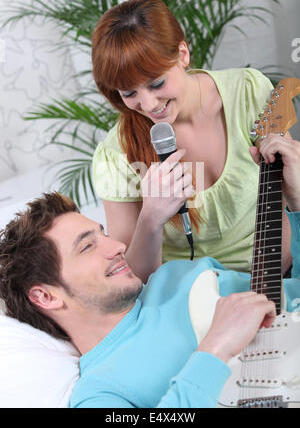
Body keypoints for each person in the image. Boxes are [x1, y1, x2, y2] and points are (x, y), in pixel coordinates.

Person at [0, 134, 299, 408]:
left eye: (102, 234)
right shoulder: (99, 390)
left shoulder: (176, 275)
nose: (116, 245)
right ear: (45, 296)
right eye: (87, 247)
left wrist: (297, 203)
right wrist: (215, 348)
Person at [91, 0, 293, 279]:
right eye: (129, 93)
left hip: (278, 273)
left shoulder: (248, 91)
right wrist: (150, 218)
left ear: (182, 54)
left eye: (157, 83)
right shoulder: (116, 154)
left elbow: (287, 195)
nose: (148, 105)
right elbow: (131, 278)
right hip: (195, 296)